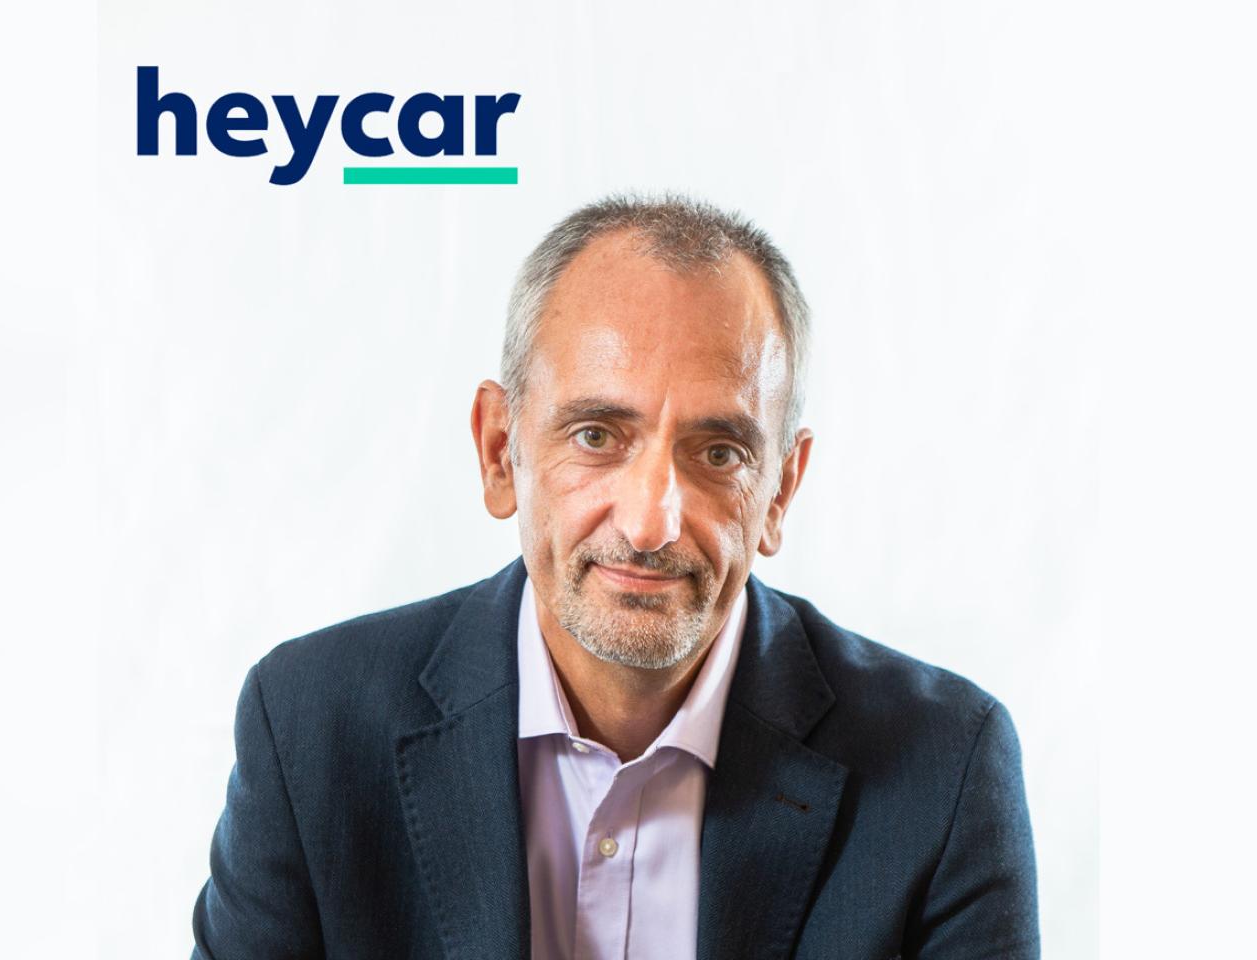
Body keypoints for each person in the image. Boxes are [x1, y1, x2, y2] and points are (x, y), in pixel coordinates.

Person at [190, 195, 1040, 960]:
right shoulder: (308, 729)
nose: (648, 524)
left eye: (719, 453)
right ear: (500, 452)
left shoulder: (945, 770)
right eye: (597, 436)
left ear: (780, 492)